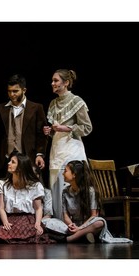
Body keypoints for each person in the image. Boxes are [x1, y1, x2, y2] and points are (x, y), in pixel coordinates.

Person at [43, 69, 93, 220]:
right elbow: (55, 129)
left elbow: (87, 127)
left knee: (74, 186)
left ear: (66, 83)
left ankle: (81, 223)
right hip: (57, 149)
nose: (52, 83)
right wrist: (49, 131)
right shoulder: (53, 103)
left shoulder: (76, 101)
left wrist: (68, 128)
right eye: (52, 80)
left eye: (56, 80)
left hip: (72, 148)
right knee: (56, 186)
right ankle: (60, 224)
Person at [0, 73, 48, 181]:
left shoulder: (36, 108)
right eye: (9, 91)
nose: (12, 94)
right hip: (7, 160)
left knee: (32, 191)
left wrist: (40, 154)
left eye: (15, 91)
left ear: (24, 90)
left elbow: (41, 133)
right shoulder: (1, 108)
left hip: (29, 158)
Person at [50, 160, 132, 244]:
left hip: (88, 225)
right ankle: (83, 236)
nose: (63, 173)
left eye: (66, 171)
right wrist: (72, 226)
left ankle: (70, 239)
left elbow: (94, 215)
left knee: (99, 222)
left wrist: (80, 228)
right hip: (74, 226)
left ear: (74, 174)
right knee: (49, 222)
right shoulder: (65, 191)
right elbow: (65, 215)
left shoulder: (90, 191)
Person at [0, 151, 55, 244]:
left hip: (27, 219)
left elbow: (38, 208)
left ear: (21, 167)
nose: (9, 163)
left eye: (13, 162)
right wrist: (5, 222)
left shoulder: (35, 186)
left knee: (32, 231)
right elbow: (1, 207)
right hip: (11, 219)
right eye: (10, 161)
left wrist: (37, 223)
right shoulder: (3, 184)